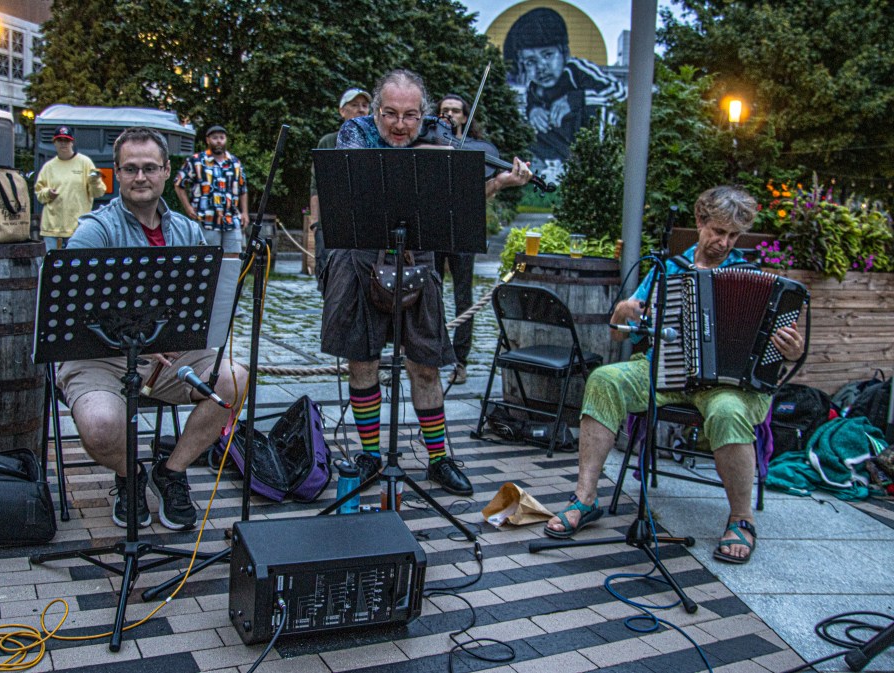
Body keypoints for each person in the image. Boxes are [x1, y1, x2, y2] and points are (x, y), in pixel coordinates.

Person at [544, 186, 805, 564]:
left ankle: (741, 520)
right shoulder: (667, 270)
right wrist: (622, 311)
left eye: (734, 235)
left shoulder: (752, 276)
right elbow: (618, 334)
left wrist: (791, 350)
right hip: (663, 369)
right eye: (718, 231)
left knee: (728, 411)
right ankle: (585, 499)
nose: (724, 243)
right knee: (604, 379)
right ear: (700, 222)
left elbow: (779, 351)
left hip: (726, 385)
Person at [322, 69, 533, 496]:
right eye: (390, 114)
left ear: (424, 113)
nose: (400, 125)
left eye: (411, 116)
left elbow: (460, 198)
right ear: (376, 109)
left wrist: (499, 180)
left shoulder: (439, 134)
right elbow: (354, 193)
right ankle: (370, 454)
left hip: (417, 256)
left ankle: (438, 458)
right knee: (362, 361)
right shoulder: (355, 133)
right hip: (360, 256)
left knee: (425, 363)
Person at [59, 127, 248, 531]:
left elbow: (202, 302)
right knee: (100, 426)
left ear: (166, 172)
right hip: (103, 358)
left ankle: (171, 471)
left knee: (234, 379)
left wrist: (190, 330)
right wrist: (133, 334)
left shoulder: (188, 231)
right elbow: (73, 305)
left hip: (171, 357)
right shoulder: (95, 230)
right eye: (130, 169)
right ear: (117, 173)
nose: (140, 177)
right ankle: (130, 476)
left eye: (149, 167)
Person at [503, 7, 625, 183]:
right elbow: (531, 105)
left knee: (599, 110)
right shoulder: (533, 87)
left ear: (565, 53)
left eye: (548, 55)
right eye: (531, 62)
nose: (541, 67)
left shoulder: (578, 70)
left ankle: (599, 166)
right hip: (562, 145)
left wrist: (575, 100)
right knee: (531, 125)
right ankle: (553, 169)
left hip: (588, 136)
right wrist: (533, 111)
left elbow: (619, 93)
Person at [434, 93, 480, 386]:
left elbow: (483, 191)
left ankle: (460, 360)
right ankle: (433, 352)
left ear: (464, 116)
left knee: (464, 297)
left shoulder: (474, 149)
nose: (450, 114)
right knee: (430, 293)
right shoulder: (429, 145)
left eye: (455, 110)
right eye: (445, 110)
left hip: (463, 227)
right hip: (435, 225)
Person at [309, 87, 372, 288]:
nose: (361, 110)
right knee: (327, 275)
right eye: (354, 105)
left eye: (365, 105)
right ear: (342, 111)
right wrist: (315, 223)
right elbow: (316, 185)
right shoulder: (328, 142)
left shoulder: (375, 141)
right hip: (331, 221)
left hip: (365, 222)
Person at [174, 124, 249, 254]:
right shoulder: (196, 161)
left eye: (221, 137)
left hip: (231, 219)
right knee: (208, 258)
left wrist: (245, 212)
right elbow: (178, 183)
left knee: (233, 257)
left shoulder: (235, 163)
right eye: (215, 138)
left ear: (226, 139)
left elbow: (243, 189)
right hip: (206, 219)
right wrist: (188, 207)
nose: (218, 141)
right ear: (208, 140)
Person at [34, 125, 107, 250]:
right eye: (60, 140)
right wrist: (48, 193)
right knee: (53, 263)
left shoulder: (85, 163)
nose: (63, 143)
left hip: (79, 229)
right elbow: (39, 194)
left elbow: (98, 193)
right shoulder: (48, 167)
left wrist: (94, 181)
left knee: (79, 262)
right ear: (54, 142)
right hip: (52, 231)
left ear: (72, 142)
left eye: (66, 140)